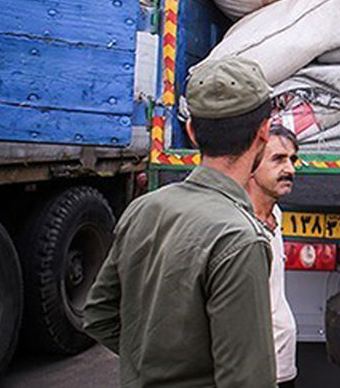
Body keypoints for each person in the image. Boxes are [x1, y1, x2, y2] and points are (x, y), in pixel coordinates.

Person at [84, 56, 277, 387]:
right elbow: (248, 379)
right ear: (264, 131)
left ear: (191, 132)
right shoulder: (240, 240)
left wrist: (153, 364)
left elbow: (99, 315)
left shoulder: (142, 209)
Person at [247, 124, 300, 388]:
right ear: (252, 164)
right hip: (254, 372)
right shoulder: (240, 226)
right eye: (278, 159)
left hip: (282, 366)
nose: (290, 169)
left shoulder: (276, 215)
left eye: (293, 159)